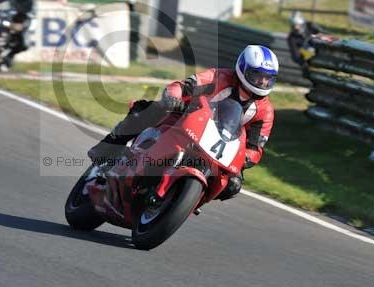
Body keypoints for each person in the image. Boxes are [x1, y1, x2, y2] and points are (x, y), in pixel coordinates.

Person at [88, 45, 279, 200]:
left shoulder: (265, 111)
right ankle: (108, 149)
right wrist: (174, 97)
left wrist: (246, 158)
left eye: (267, 78)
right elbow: (184, 85)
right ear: (243, 68)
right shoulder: (219, 78)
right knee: (152, 110)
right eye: (257, 75)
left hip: (221, 147)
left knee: (232, 185)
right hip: (186, 119)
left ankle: (187, 199)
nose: (262, 81)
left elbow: (255, 146)